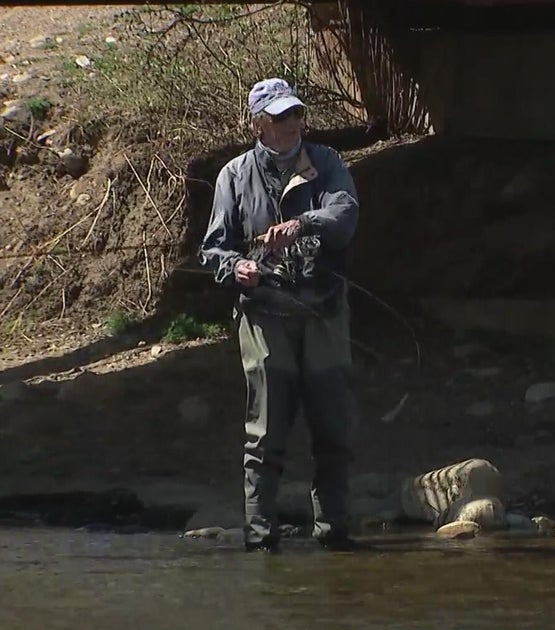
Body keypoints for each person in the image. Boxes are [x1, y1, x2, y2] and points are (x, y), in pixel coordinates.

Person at [199, 77, 361, 553]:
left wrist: (304, 223)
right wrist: (238, 268)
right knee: (265, 436)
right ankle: (260, 540)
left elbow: (346, 216)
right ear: (258, 125)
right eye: (279, 117)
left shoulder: (327, 163)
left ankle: (335, 535)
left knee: (333, 429)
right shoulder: (233, 176)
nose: (291, 124)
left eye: (296, 114)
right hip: (265, 314)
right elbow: (213, 249)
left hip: (324, 309)